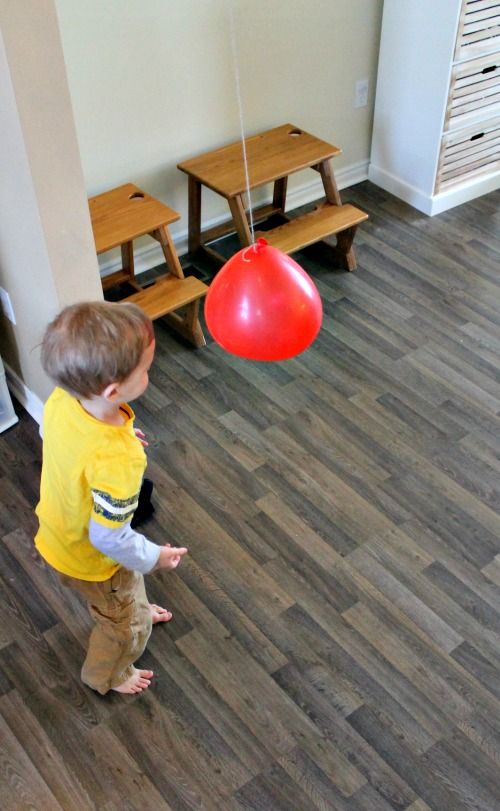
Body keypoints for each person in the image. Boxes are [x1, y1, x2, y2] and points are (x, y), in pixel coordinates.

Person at [35, 301, 188, 695]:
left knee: (123, 598)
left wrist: (116, 435)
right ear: (112, 390)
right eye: (146, 369)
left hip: (59, 531)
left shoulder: (63, 399)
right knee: (124, 627)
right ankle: (107, 674)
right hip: (94, 559)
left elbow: (71, 445)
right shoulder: (119, 460)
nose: (150, 374)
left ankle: (130, 609)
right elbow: (110, 539)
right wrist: (156, 557)